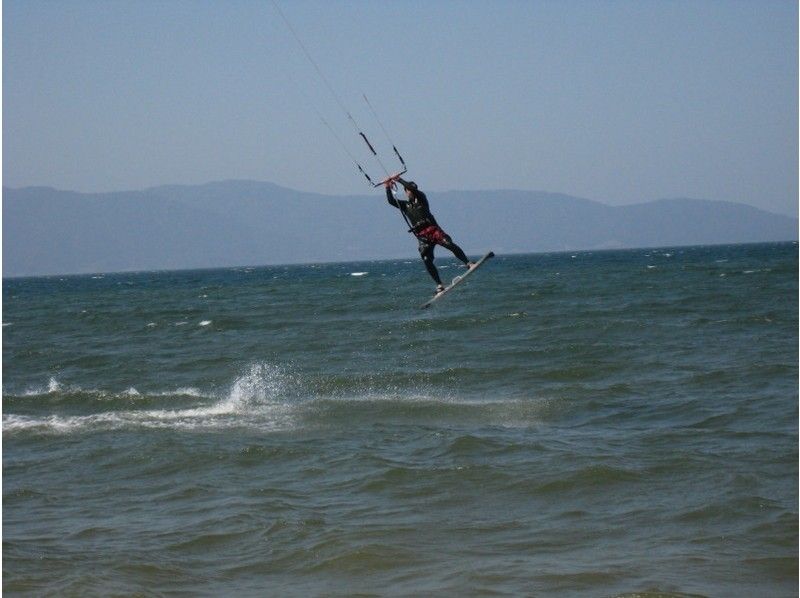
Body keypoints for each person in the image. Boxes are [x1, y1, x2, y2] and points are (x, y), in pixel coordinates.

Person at [385, 176, 475, 294]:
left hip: (433, 230)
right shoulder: (405, 205)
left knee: (449, 244)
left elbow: (412, 188)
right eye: (409, 190)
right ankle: (439, 285)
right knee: (427, 259)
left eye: (413, 189)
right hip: (422, 236)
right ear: (406, 192)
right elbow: (391, 201)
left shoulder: (422, 198)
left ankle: (468, 263)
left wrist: (399, 179)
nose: (411, 191)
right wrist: (387, 187)